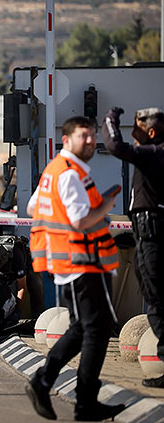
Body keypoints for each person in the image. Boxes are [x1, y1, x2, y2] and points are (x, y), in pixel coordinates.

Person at [25, 116, 125, 421]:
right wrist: (107, 203)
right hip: (84, 264)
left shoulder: (54, 171)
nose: (92, 141)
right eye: (85, 136)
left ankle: (46, 383)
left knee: (83, 328)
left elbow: (33, 208)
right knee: (96, 331)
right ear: (66, 139)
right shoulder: (69, 174)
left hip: (70, 264)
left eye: (94, 136)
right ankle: (82, 401)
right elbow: (80, 220)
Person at [102, 106, 164, 388]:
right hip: (146, 232)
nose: (133, 135)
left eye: (136, 128)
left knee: (157, 301)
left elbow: (115, 145)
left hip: (153, 234)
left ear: (151, 132)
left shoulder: (155, 153)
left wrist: (110, 118)